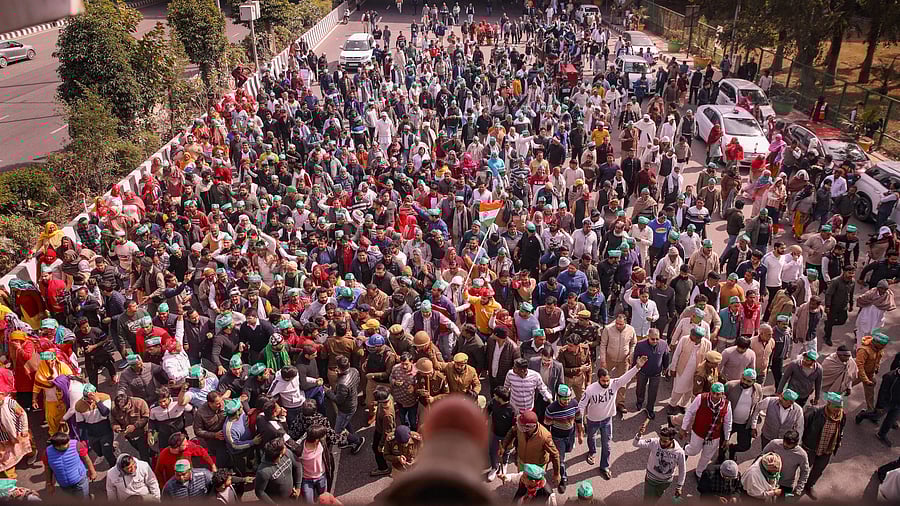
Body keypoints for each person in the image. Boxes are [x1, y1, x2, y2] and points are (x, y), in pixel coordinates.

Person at [579, 355, 648, 478]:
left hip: (607, 420)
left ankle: (604, 466)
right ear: (598, 379)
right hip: (592, 420)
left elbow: (626, 377)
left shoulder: (614, 384)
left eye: (607, 380)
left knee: (607, 445)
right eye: (603, 381)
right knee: (591, 438)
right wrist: (579, 423)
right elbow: (581, 405)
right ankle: (592, 452)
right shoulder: (590, 389)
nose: (606, 383)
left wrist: (637, 367)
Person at [679, 383, 732, 478]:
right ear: (710, 391)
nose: (715, 396)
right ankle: (686, 449)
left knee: (707, 456)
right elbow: (690, 412)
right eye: (713, 393)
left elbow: (728, 422)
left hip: (714, 436)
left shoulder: (727, 405)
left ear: (722, 394)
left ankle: (699, 473)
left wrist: (727, 438)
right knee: (694, 451)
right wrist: (683, 428)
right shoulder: (701, 398)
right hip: (698, 432)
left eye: (718, 394)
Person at [802, 392, 847, 499]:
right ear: (828, 403)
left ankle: (809, 486)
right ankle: (796, 485)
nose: (838, 409)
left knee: (818, 469)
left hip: (827, 448)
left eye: (840, 407)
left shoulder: (842, 415)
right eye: (836, 407)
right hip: (811, 447)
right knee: (804, 467)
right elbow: (803, 426)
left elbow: (841, 429)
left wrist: (839, 439)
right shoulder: (815, 412)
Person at [633, 424, 685, 500]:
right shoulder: (655, 442)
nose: (661, 442)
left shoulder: (679, 452)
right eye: (661, 439)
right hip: (651, 479)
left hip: (665, 482)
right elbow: (635, 443)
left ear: (671, 440)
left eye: (665, 441)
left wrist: (679, 486)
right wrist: (639, 434)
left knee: (656, 497)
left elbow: (682, 470)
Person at [43, 431, 97, 497]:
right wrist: (49, 484)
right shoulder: (47, 453)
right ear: (56, 446)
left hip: (80, 481)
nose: (68, 444)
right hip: (64, 485)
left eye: (68, 442)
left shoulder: (77, 445)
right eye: (65, 444)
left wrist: (92, 471)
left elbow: (86, 458)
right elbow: (47, 468)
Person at [761, 430, 810, 497]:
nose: (786, 446)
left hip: (786, 484)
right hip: (768, 480)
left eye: (789, 445)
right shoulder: (774, 443)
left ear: (796, 444)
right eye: (785, 443)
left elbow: (805, 471)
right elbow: (762, 456)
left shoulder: (802, 455)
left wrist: (799, 488)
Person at [255, 438, 303, 503]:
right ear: (280, 455)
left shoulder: (287, 453)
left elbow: (298, 466)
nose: (286, 447)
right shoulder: (263, 472)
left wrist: (298, 488)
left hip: (292, 497)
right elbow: (260, 492)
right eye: (284, 447)